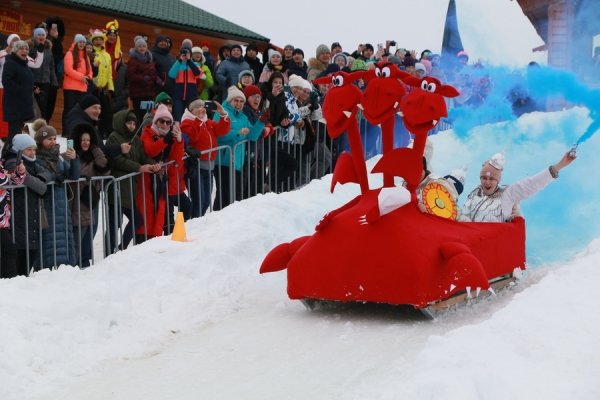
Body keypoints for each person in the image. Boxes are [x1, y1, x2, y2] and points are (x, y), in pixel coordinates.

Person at [459, 151, 576, 223]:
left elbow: (532, 184)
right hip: (473, 246)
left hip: (494, 249)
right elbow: (463, 214)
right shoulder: (475, 193)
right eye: (484, 178)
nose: (487, 182)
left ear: (498, 180)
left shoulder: (507, 193)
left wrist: (559, 166)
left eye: (492, 179)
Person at [105, 110, 160, 254]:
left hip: (129, 189)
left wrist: (154, 164)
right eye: (129, 123)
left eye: (134, 123)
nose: (132, 126)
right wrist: (139, 167)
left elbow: (142, 156)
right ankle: (109, 252)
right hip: (117, 187)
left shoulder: (136, 140)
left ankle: (121, 248)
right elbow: (117, 161)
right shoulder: (114, 137)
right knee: (113, 224)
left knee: (137, 219)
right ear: (123, 123)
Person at [34, 122, 80, 269]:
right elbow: (43, 176)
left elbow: (73, 175)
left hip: (61, 205)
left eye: (54, 138)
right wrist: (56, 177)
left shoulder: (59, 158)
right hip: (46, 205)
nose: (53, 142)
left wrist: (74, 160)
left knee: (63, 238)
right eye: (49, 139)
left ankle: (64, 267)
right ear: (41, 141)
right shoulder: (37, 158)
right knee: (49, 240)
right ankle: (46, 268)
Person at [3, 133, 50, 275]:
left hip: (30, 219)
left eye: (34, 149)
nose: (32, 152)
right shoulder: (13, 163)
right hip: (18, 219)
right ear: (19, 150)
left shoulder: (33, 163)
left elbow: (48, 173)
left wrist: (38, 178)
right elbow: (41, 187)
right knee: (19, 263)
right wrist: (37, 180)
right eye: (28, 149)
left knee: (29, 258)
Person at [138, 104, 185, 237]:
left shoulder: (169, 136)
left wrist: (179, 141)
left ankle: (161, 237)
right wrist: (165, 140)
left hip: (162, 179)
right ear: (155, 121)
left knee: (162, 212)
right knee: (149, 215)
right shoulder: (148, 132)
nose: (164, 124)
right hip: (147, 180)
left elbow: (176, 158)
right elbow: (150, 150)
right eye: (161, 121)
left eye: (168, 122)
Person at [180, 99, 230, 217]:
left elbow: (223, 130)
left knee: (206, 201)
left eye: (202, 106)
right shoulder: (187, 123)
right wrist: (198, 121)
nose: (201, 109)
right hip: (195, 167)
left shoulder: (208, 122)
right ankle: (192, 224)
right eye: (197, 107)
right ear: (191, 110)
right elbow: (193, 138)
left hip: (209, 167)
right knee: (199, 200)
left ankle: (197, 222)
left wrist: (222, 113)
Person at [70, 127, 110, 267]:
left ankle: (85, 260)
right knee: (78, 235)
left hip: (90, 200)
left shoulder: (93, 156)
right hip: (76, 202)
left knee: (91, 232)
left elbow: (105, 167)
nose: (85, 143)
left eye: (88, 140)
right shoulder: (70, 155)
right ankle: (75, 263)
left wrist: (95, 149)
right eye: (83, 140)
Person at [0, 145, 26, 278]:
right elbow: (2, 179)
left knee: (9, 252)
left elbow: (15, 181)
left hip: (3, 221)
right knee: (9, 252)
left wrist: (19, 171)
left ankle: (9, 282)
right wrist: (6, 175)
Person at [62, 34, 93, 131]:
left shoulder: (85, 57)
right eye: (80, 42)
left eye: (83, 42)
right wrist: (82, 77)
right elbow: (68, 70)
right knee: (69, 109)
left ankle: (74, 129)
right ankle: (66, 131)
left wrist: (88, 77)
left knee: (79, 111)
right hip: (70, 88)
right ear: (75, 43)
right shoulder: (69, 54)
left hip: (82, 88)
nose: (82, 44)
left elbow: (90, 71)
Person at [28, 27, 58, 123]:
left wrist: (54, 81)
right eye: (39, 35)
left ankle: (43, 125)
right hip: (33, 80)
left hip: (45, 81)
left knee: (43, 104)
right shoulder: (30, 48)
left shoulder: (48, 50)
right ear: (35, 36)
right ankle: (31, 124)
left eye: (43, 35)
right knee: (33, 104)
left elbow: (52, 67)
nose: (41, 37)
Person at [127, 36, 159, 123]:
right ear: (136, 48)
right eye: (140, 46)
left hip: (149, 93)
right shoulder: (133, 60)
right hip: (138, 93)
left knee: (148, 115)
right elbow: (131, 75)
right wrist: (143, 78)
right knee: (139, 115)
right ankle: (138, 133)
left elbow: (153, 73)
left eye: (144, 46)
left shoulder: (149, 59)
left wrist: (157, 79)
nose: (142, 48)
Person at [168, 45, 201, 121]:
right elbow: (171, 75)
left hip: (191, 97)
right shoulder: (177, 64)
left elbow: (198, 74)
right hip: (178, 96)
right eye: (184, 53)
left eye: (187, 53)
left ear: (190, 54)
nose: (185, 55)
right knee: (178, 117)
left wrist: (189, 61)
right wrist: (180, 61)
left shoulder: (195, 64)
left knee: (190, 118)